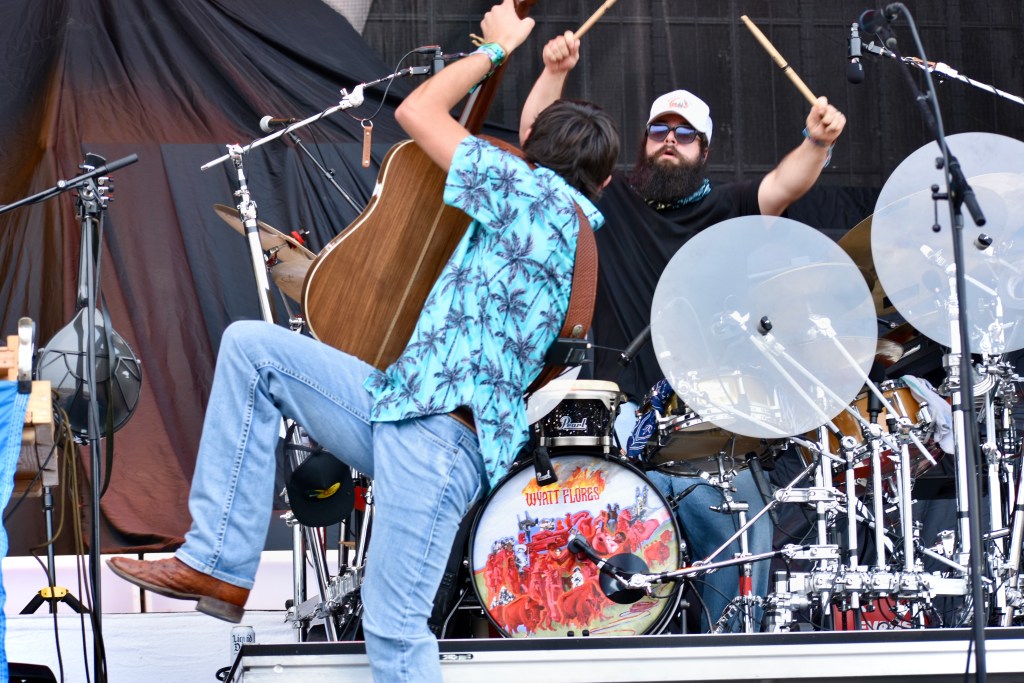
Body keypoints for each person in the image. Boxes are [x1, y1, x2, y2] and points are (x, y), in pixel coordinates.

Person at [106, 4, 619, 681]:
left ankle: (218, 562)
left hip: (436, 435)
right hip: (399, 410)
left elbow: (418, 114)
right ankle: (218, 566)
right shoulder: (561, 218)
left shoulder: (528, 194)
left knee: (396, 634)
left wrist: (495, 52)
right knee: (253, 351)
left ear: (530, 159)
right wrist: (547, 75)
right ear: (603, 180)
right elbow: (533, 135)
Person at [519, 32, 846, 632]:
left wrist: (817, 141)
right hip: (605, 414)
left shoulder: (725, 207)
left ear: (704, 149)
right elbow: (541, 148)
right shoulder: (607, 196)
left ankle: (731, 652)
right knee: (590, 547)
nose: (670, 140)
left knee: (742, 530)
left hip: (692, 418)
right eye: (659, 131)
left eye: (685, 133)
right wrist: (554, 73)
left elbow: (786, 184)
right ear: (644, 143)